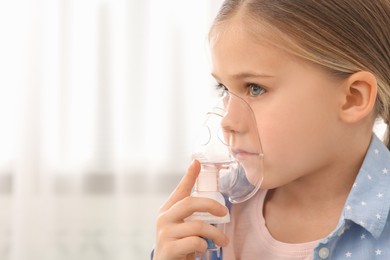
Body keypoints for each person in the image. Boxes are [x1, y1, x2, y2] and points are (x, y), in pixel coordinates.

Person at [153, 0, 390, 259]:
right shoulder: (214, 217)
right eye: (224, 89)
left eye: (255, 88)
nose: (227, 120)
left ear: (353, 98)